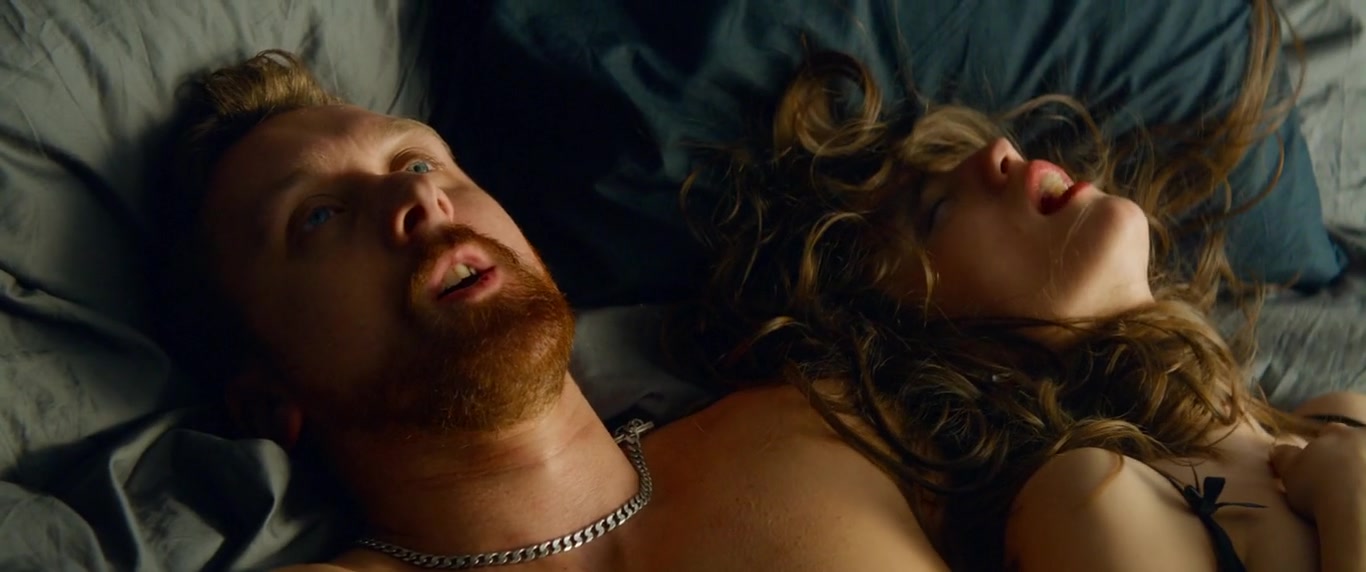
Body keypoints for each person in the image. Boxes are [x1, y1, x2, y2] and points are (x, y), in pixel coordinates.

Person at [157, 50, 948, 571]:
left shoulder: (833, 415)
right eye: (319, 216)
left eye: (420, 161)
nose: (416, 198)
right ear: (268, 402)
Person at [677, 0, 1366, 570]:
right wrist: (1349, 495)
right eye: (936, 210)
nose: (1001, 152)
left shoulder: (1336, 416)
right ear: (942, 343)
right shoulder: (1090, 499)